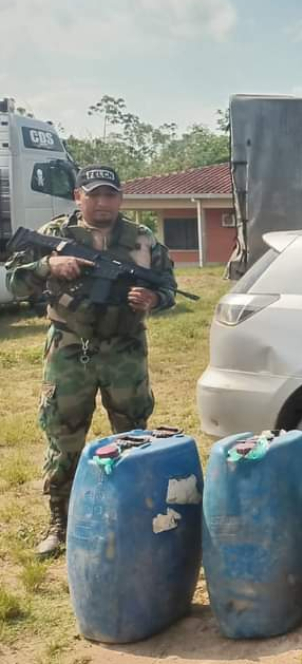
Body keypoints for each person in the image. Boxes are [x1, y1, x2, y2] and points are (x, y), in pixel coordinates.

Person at [4, 165, 177, 558]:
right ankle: (59, 523)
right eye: (94, 194)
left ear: (121, 197)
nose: (102, 202)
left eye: (110, 194)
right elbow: (12, 281)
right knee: (63, 436)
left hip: (125, 348)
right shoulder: (54, 235)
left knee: (133, 434)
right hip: (69, 347)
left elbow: (168, 286)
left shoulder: (142, 238)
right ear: (78, 196)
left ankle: (134, 514)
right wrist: (48, 266)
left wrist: (154, 300)